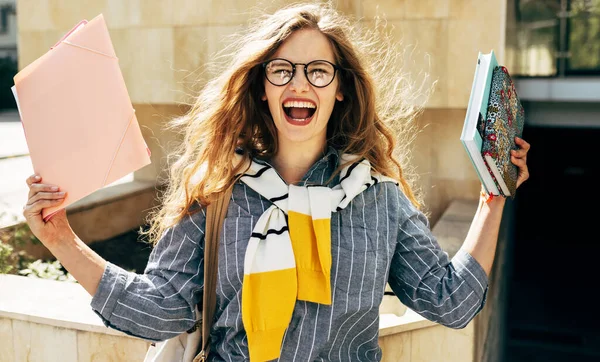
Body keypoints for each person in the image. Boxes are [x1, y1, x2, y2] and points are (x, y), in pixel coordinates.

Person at [22, 3, 530, 361]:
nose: (300, 83)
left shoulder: (379, 200)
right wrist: (61, 239)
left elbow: (452, 301)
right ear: (263, 89)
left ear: (341, 92)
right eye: (282, 70)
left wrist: (493, 193)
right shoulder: (218, 193)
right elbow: (159, 312)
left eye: (318, 71)